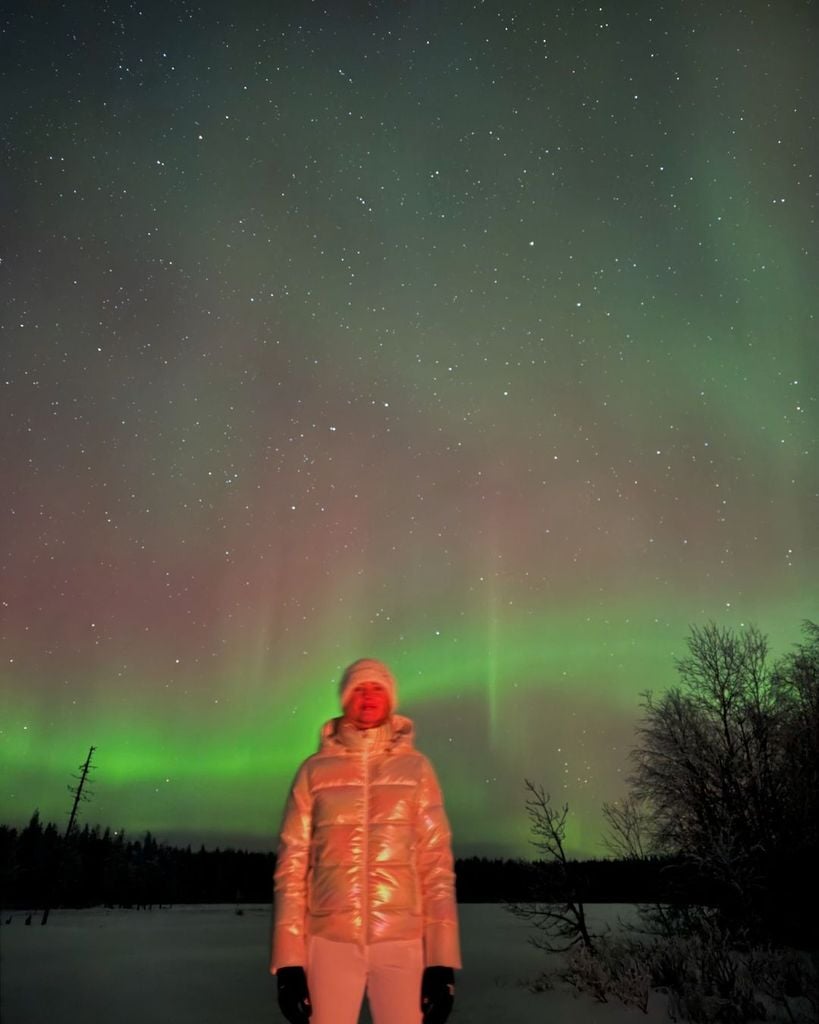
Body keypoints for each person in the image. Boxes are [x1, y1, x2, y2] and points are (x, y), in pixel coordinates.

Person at [271, 657, 461, 1024]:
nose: (368, 697)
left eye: (377, 688)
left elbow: (436, 865)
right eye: (359, 689)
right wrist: (289, 963)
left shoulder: (417, 770)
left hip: (402, 943)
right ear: (345, 699)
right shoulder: (313, 771)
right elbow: (292, 867)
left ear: (391, 698)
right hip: (328, 942)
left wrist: (441, 961)